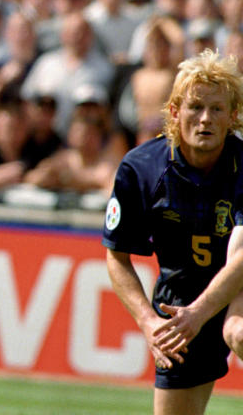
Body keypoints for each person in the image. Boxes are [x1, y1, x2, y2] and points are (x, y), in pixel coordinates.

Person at [104, 49, 243, 415]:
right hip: (180, 300)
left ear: (233, 116)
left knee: (238, 332)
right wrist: (149, 321)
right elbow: (116, 255)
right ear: (174, 112)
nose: (205, 119)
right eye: (196, 107)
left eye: (217, 109)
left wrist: (200, 313)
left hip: (237, 285)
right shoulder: (141, 168)